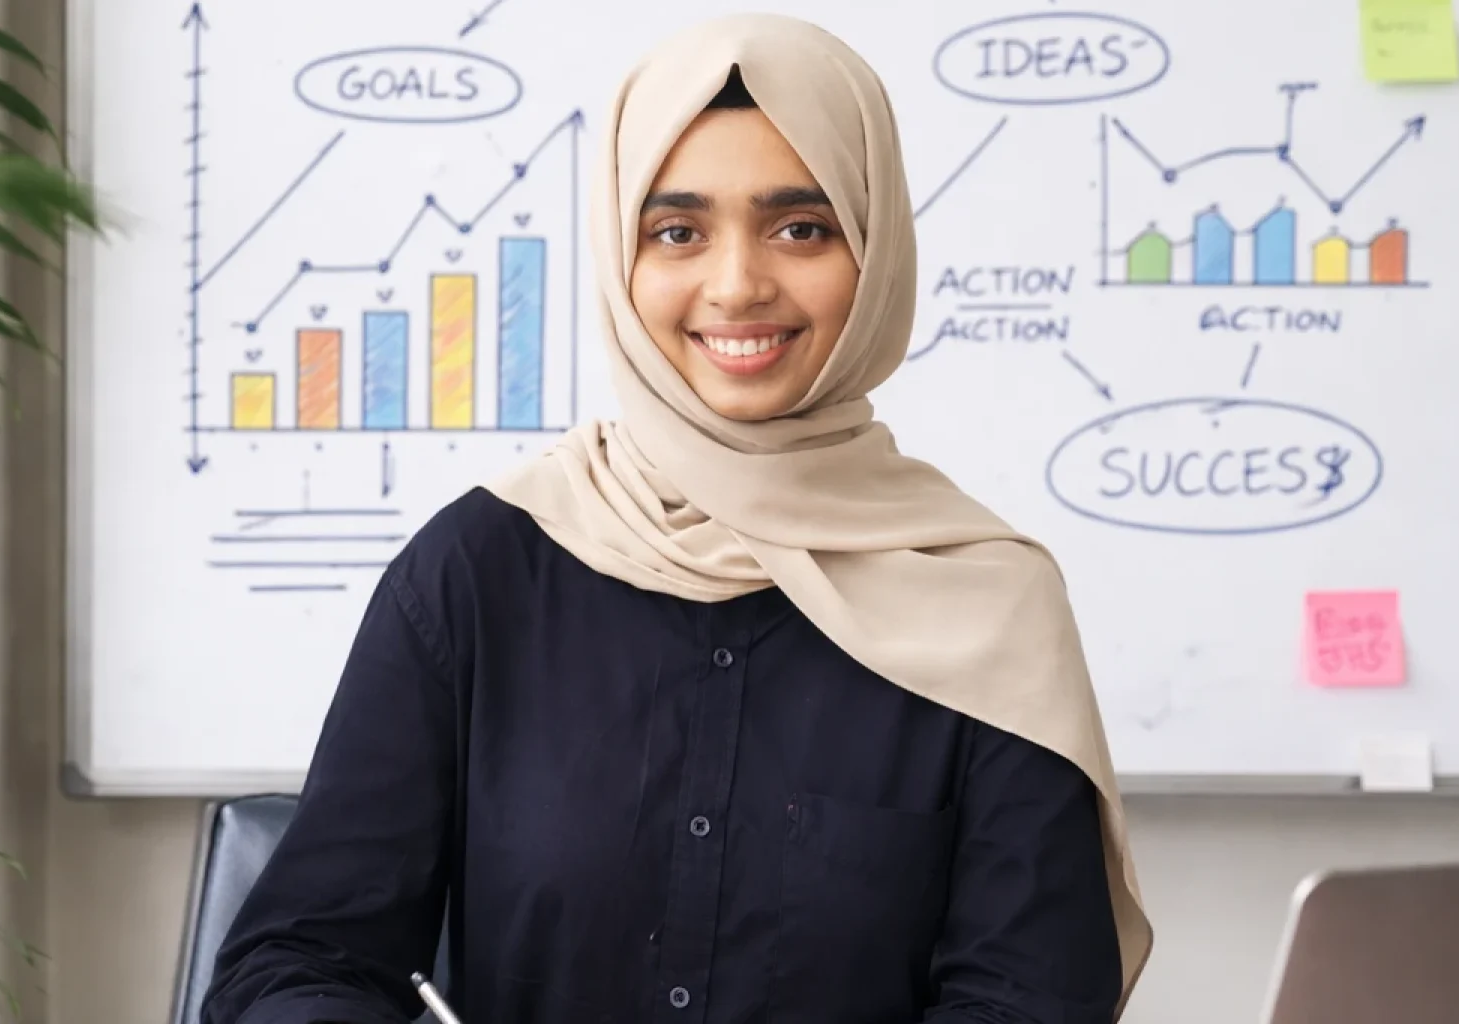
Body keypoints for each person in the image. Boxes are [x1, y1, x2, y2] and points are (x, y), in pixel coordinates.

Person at [200, 13, 1152, 1024]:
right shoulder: (478, 572)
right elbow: (298, 960)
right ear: (624, 258)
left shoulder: (987, 606)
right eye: (678, 232)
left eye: (801, 227)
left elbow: (1026, 1000)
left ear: (875, 253)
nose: (737, 285)